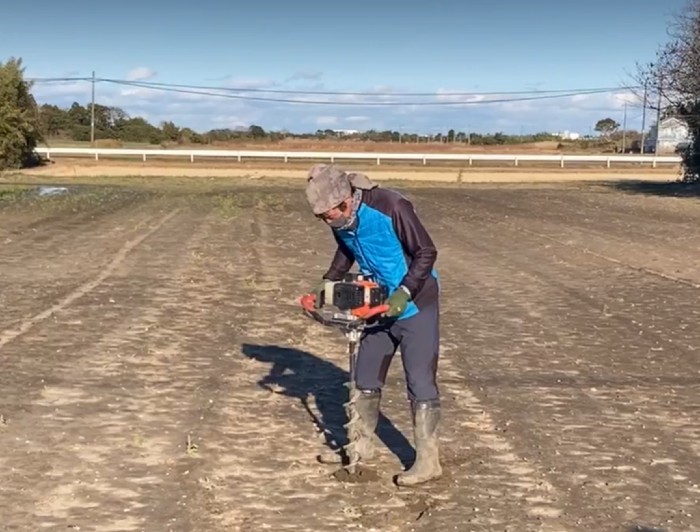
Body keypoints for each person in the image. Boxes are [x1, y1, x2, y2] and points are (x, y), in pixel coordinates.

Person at [303, 163, 442, 486]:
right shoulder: (338, 216)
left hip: (416, 304)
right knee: (364, 377)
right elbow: (346, 249)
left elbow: (426, 252)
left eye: (329, 216)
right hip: (376, 303)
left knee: (419, 382)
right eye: (323, 217)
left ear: (346, 202)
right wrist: (325, 285)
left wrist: (404, 292)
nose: (328, 221)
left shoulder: (391, 206)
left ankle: (428, 461)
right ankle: (360, 449)